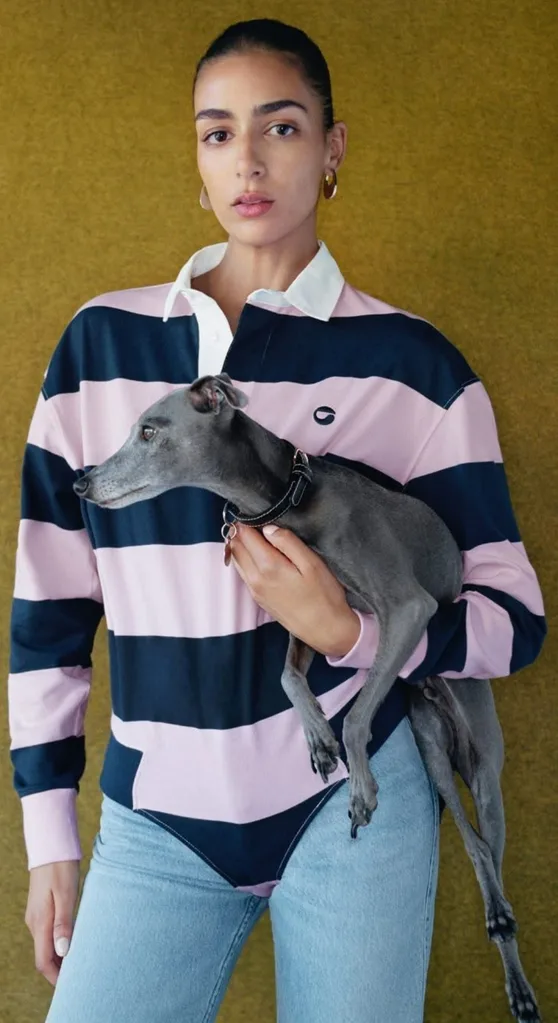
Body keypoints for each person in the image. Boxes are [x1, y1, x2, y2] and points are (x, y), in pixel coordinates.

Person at [9, 18, 546, 1023]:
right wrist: (50, 838)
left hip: (353, 815)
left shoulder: (418, 367)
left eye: (282, 128)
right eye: (218, 134)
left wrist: (351, 634)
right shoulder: (100, 346)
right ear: (197, 159)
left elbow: (516, 621)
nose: (247, 160)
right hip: (156, 823)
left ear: (332, 150)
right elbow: (48, 609)